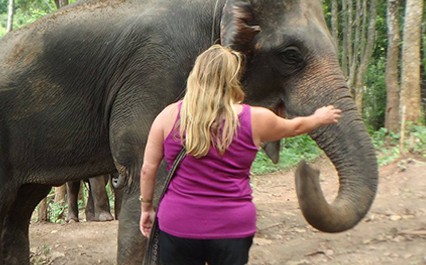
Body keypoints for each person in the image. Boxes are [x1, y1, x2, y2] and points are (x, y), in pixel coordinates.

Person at [138, 45, 341, 265]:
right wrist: (319, 118)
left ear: (196, 75)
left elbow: (148, 169)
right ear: (232, 78)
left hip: (179, 223)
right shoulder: (255, 118)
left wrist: (146, 207)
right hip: (232, 226)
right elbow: (295, 126)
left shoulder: (168, 116)